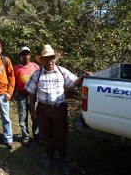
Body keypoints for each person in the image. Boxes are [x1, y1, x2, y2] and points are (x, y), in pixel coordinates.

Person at [25, 44, 91, 175]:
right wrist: (32, 110)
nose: (49, 61)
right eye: (46, 58)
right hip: (43, 109)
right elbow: (31, 92)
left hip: (59, 109)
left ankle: (62, 162)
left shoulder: (62, 71)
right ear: (42, 60)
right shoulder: (36, 74)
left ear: (55, 58)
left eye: (51, 58)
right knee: (46, 135)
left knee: (61, 135)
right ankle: (49, 159)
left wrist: (83, 77)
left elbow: (75, 82)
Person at [13, 46, 40, 147]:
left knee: (35, 115)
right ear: (20, 56)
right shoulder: (16, 68)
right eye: (23, 54)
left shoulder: (35, 66)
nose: (25, 56)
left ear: (30, 55)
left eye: (27, 54)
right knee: (22, 116)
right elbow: (14, 82)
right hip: (22, 95)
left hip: (35, 95)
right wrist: (14, 94)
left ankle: (37, 135)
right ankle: (25, 137)